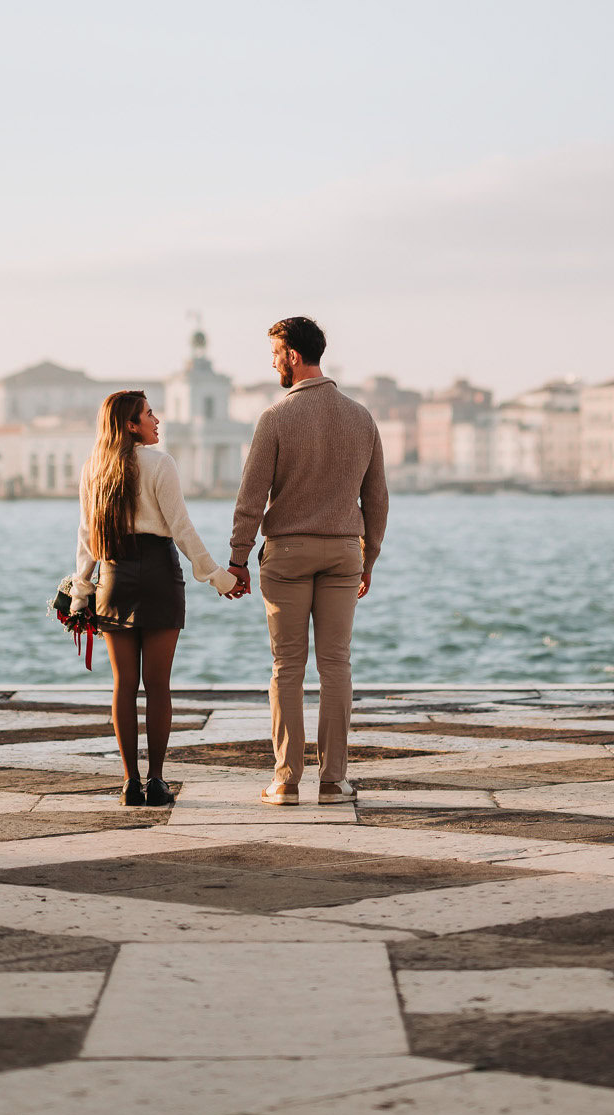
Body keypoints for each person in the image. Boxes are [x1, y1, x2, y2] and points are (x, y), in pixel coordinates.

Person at [228, 317, 388, 805]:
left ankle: (286, 780)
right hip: (344, 552)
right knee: (336, 664)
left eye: (276, 352)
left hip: (289, 554)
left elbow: (251, 497)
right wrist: (370, 557)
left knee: (287, 666)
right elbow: (376, 497)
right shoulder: (361, 417)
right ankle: (335, 781)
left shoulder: (275, 418)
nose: (273, 361)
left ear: (293, 356)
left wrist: (237, 558)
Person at [74, 389, 238, 807]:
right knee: (158, 685)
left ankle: (130, 783)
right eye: (149, 414)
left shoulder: (94, 467)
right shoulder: (161, 463)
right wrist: (218, 578)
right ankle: (157, 781)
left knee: (123, 685)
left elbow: (88, 537)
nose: (157, 420)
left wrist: (81, 589)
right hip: (160, 575)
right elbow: (181, 529)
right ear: (131, 425)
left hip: (113, 577)